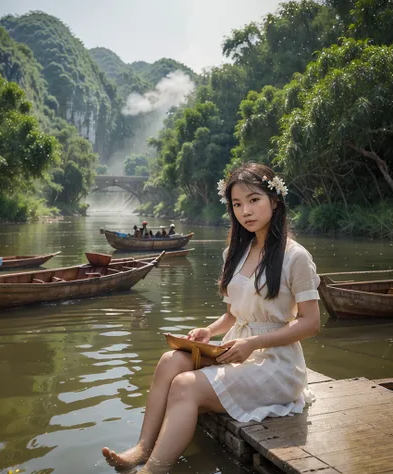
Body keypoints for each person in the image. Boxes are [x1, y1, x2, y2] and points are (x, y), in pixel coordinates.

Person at [102, 162, 321, 473]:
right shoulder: (236, 251)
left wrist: (254, 343)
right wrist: (208, 330)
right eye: (237, 204)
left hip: (276, 365)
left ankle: (155, 470)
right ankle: (141, 449)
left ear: (275, 201)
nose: (246, 210)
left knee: (186, 386)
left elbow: (311, 323)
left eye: (254, 200)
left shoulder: (295, 257)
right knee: (170, 361)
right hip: (236, 350)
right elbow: (233, 314)